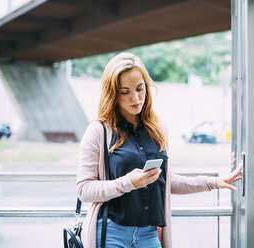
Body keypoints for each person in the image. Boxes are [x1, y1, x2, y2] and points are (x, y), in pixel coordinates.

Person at [76, 52, 242, 248]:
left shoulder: (158, 131)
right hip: (111, 234)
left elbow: (167, 181)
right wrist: (129, 182)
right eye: (125, 91)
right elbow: (84, 190)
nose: (135, 97)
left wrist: (214, 182)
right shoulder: (98, 131)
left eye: (140, 88)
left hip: (149, 235)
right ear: (112, 94)